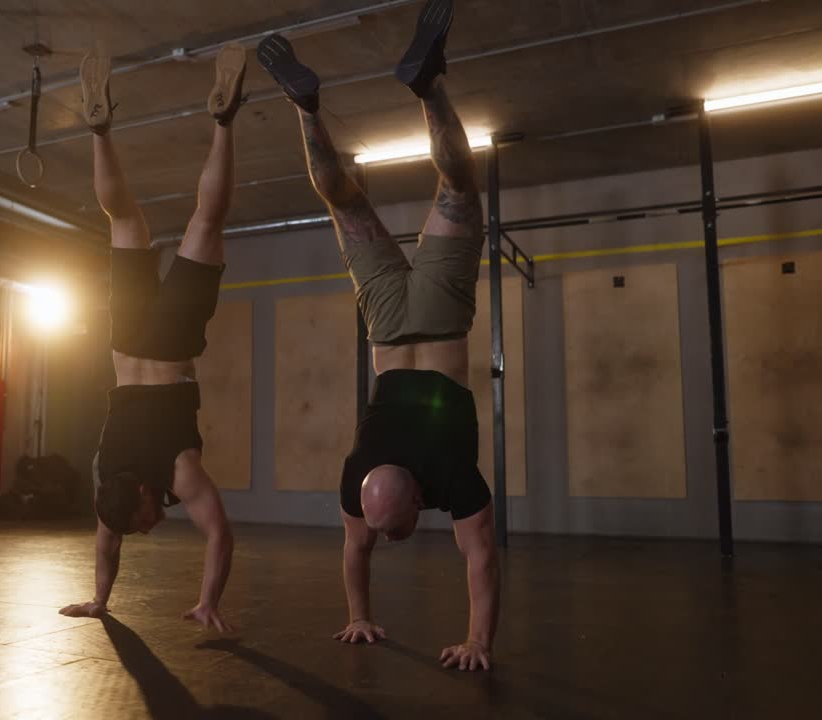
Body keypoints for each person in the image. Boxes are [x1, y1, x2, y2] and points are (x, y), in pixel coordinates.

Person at [258, 0, 500, 671]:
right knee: (344, 200)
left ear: (414, 499)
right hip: (387, 322)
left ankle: (427, 86)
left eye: (397, 527)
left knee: (457, 186)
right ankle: (306, 108)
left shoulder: (451, 479)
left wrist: (479, 642)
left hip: (438, 315)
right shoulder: (354, 475)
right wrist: (357, 614)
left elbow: (480, 559)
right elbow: (357, 548)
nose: (391, 537)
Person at [58, 45, 248, 633]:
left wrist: (210, 600)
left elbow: (219, 532)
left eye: (142, 518)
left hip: (169, 345)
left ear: (145, 491)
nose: (147, 526)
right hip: (125, 339)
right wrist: (100, 602)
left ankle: (224, 120)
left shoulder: (175, 474)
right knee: (123, 221)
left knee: (205, 224)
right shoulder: (109, 483)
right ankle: (101, 131)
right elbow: (106, 547)